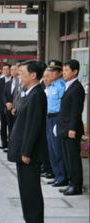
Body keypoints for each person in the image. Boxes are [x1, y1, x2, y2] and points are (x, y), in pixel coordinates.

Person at [8, 60, 47, 223]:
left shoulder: (37, 94)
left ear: (33, 75)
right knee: (25, 190)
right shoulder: (30, 92)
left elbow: (33, 126)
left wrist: (26, 152)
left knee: (31, 191)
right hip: (23, 149)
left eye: (22, 73)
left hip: (29, 153)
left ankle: (34, 220)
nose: (19, 76)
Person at [57, 59, 85, 196]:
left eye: (67, 70)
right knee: (67, 157)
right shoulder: (68, 85)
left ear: (75, 72)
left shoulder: (77, 88)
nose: (64, 73)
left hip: (71, 129)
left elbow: (76, 110)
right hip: (64, 128)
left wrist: (72, 128)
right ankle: (70, 183)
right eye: (63, 70)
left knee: (73, 158)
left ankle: (76, 186)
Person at [45, 60, 68, 187]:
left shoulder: (61, 85)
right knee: (51, 149)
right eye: (50, 71)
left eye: (54, 71)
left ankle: (62, 177)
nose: (51, 73)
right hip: (48, 118)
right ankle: (56, 174)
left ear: (60, 73)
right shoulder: (50, 85)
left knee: (57, 148)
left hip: (57, 118)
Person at [0, 63, 12, 150]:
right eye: (4, 70)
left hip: (11, 106)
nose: (5, 71)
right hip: (2, 106)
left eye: (7, 69)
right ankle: (4, 143)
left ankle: (10, 144)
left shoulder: (14, 80)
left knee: (11, 125)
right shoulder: (0, 81)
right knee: (3, 126)